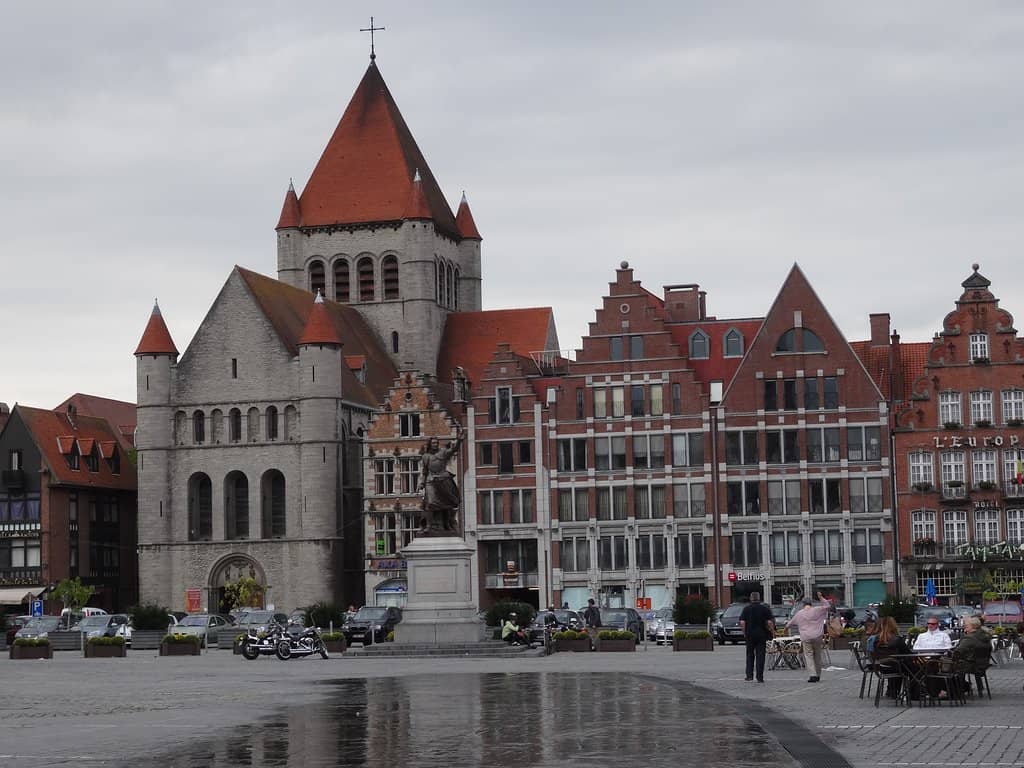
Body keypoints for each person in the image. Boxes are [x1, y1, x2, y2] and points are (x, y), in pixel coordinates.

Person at [417, 428, 465, 534]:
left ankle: (447, 524)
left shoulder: (443, 452)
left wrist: (459, 441)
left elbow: (453, 450)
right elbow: (425, 471)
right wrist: (422, 482)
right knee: (430, 502)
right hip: (431, 480)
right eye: (433, 443)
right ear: (429, 444)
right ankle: (429, 526)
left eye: (437, 443)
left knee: (447, 504)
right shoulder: (425, 456)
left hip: (443, 479)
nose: (435, 444)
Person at [786, 591, 831, 682]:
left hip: (806, 637)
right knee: (817, 655)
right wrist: (821, 597)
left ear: (803, 604)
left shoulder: (799, 613)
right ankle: (818, 675)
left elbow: (789, 623)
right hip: (817, 636)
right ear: (811, 603)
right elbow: (827, 606)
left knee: (808, 656)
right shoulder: (817, 610)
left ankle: (812, 675)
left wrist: (785, 629)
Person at [739, 592, 775, 683]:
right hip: (761, 634)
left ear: (751, 599)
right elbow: (770, 623)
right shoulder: (764, 609)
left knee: (750, 655)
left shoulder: (746, 609)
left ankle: (749, 675)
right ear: (759, 599)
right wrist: (772, 632)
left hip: (750, 634)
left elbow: (742, 623)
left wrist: (744, 633)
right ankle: (760, 677)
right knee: (760, 656)